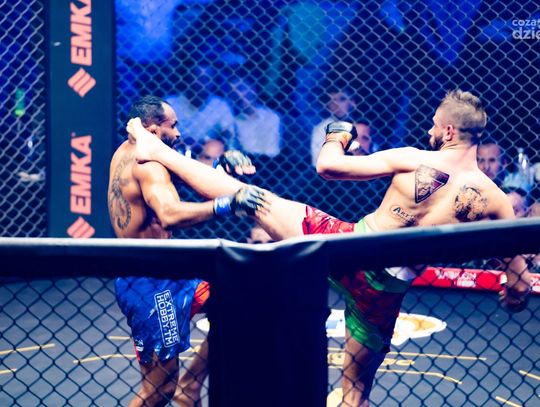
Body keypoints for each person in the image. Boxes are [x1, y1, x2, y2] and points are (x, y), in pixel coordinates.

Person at [127, 89, 531, 406]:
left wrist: (337, 135)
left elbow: (328, 166)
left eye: (434, 125)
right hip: (384, 291)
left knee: (252, 198)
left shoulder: (413, 158)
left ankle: (157, 150)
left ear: (449, 131)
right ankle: (191, 386)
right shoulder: (495, 200)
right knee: (355, 392)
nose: (429, 130)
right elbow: (518, 282)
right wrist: (513, 292)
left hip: (345, 249)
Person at [108, 95, 263, 407]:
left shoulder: (128, 151)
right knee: (159, 390)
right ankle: (184, 387)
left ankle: (191, 384)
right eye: (173, 126)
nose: (178, 133)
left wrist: (220, 166)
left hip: (172, 271)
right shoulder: (148, 165)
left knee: (240, 302)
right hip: (149, 283)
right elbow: (169, 214)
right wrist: (225, 204)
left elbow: (183, 173)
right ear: (153, 130)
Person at [165, 63, 237, 149]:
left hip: (207, 150)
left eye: (207, 79)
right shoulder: (170, 103)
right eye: (197, 77)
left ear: (213, 82)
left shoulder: (220, 104)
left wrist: (210, 143)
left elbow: (228, 133)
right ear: (188, 79)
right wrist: (181, 141)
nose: (201, 83)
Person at [229, 76, 281, 158]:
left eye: (241, 88)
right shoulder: (232, 121)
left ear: (253, 90)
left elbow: (273, 150)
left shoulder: (272, 117)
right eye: (233, 91)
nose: (238, 94)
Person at [310, 87, 357, 165]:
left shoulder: (362, 125)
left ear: (352, 102)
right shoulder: (321, 128)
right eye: (332, 100)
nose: (336, 104)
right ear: (327, 105)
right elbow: (316, 161)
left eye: (342, 99)